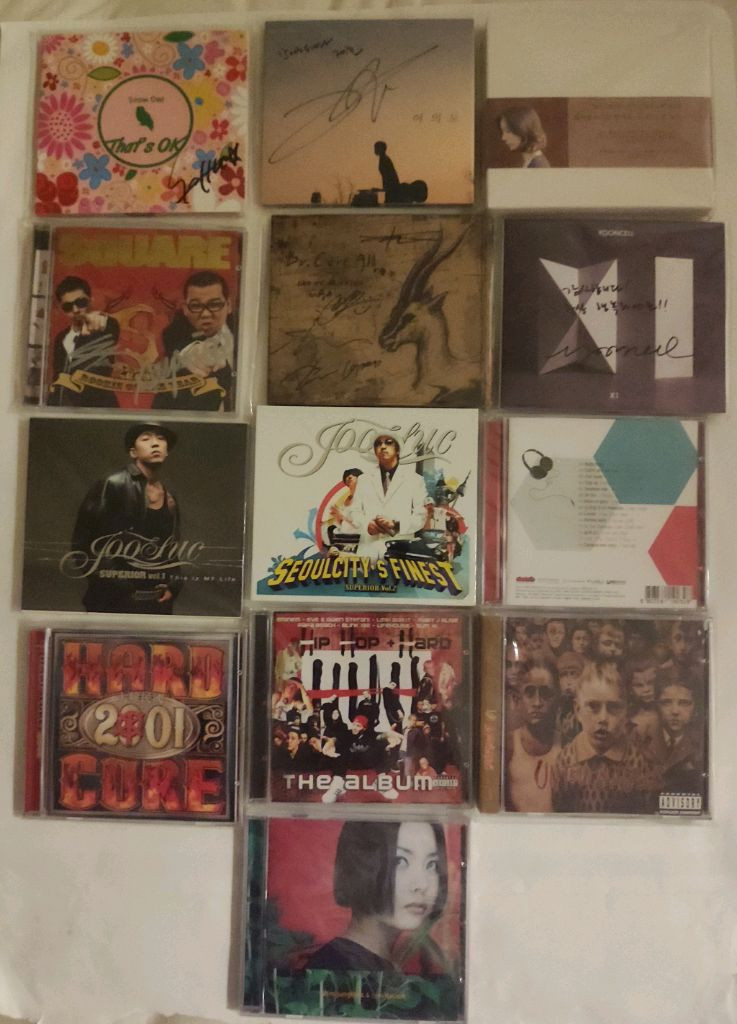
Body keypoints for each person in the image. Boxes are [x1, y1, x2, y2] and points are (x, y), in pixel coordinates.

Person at [304, 821, 449, 975]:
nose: (422, 884)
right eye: (400, 861)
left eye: (432, 864)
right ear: (360, 867)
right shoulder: (332, 971)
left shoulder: (378, 965)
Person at [69, 422, 180, 613]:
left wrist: (173, 585)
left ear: (167, 451)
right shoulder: (113, 484)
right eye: (146, 439)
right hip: (112, 602)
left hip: (157, 603)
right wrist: (116, 585)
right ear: (133, 452)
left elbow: (172, 548)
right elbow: (83, 545)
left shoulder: (169, 496)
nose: (155, 443)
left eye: (161, 439)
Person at [552, 662, 661, 814]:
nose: (603, 718)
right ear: (577, 710)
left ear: (625, 711)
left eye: (613, 707)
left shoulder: (638, 762)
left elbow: (646, 814)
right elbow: (559, 812)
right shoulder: (565, 760)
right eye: (593, 706)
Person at [153, 270, 235, 411]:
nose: (205, 314)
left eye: (214, 304)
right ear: (185, 309)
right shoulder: (176, 330)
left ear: (228, 305)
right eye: (196, 306)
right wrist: (190, 354)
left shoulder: (243, 328)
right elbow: (174, 342)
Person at [349, 433, 431, 561]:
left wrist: (396, 525)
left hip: (401, 552)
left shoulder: (415, 480)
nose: (382, 446)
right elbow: (354, 512)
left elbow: (421, 516)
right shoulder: (364, 479)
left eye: (388, 442)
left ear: (398, 450)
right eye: (378, 444)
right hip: (368, 552)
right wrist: (366, 525)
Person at [49, 275, 120, 407]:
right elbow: (58, 376)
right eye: (68, 306)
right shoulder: (61, 337)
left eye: (80, 302)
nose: (75, 310)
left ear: (91, 301)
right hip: (65, 407)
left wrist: (98, 319)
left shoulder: (106, 325)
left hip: (99, 406)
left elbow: (109, 326)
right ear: (61, 309)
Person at [505, 662, 561, 812]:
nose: (537, 703)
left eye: (545, 694)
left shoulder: (566, 746)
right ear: (517, 699)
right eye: (530, 693)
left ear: (557, 699)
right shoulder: (509, 745)